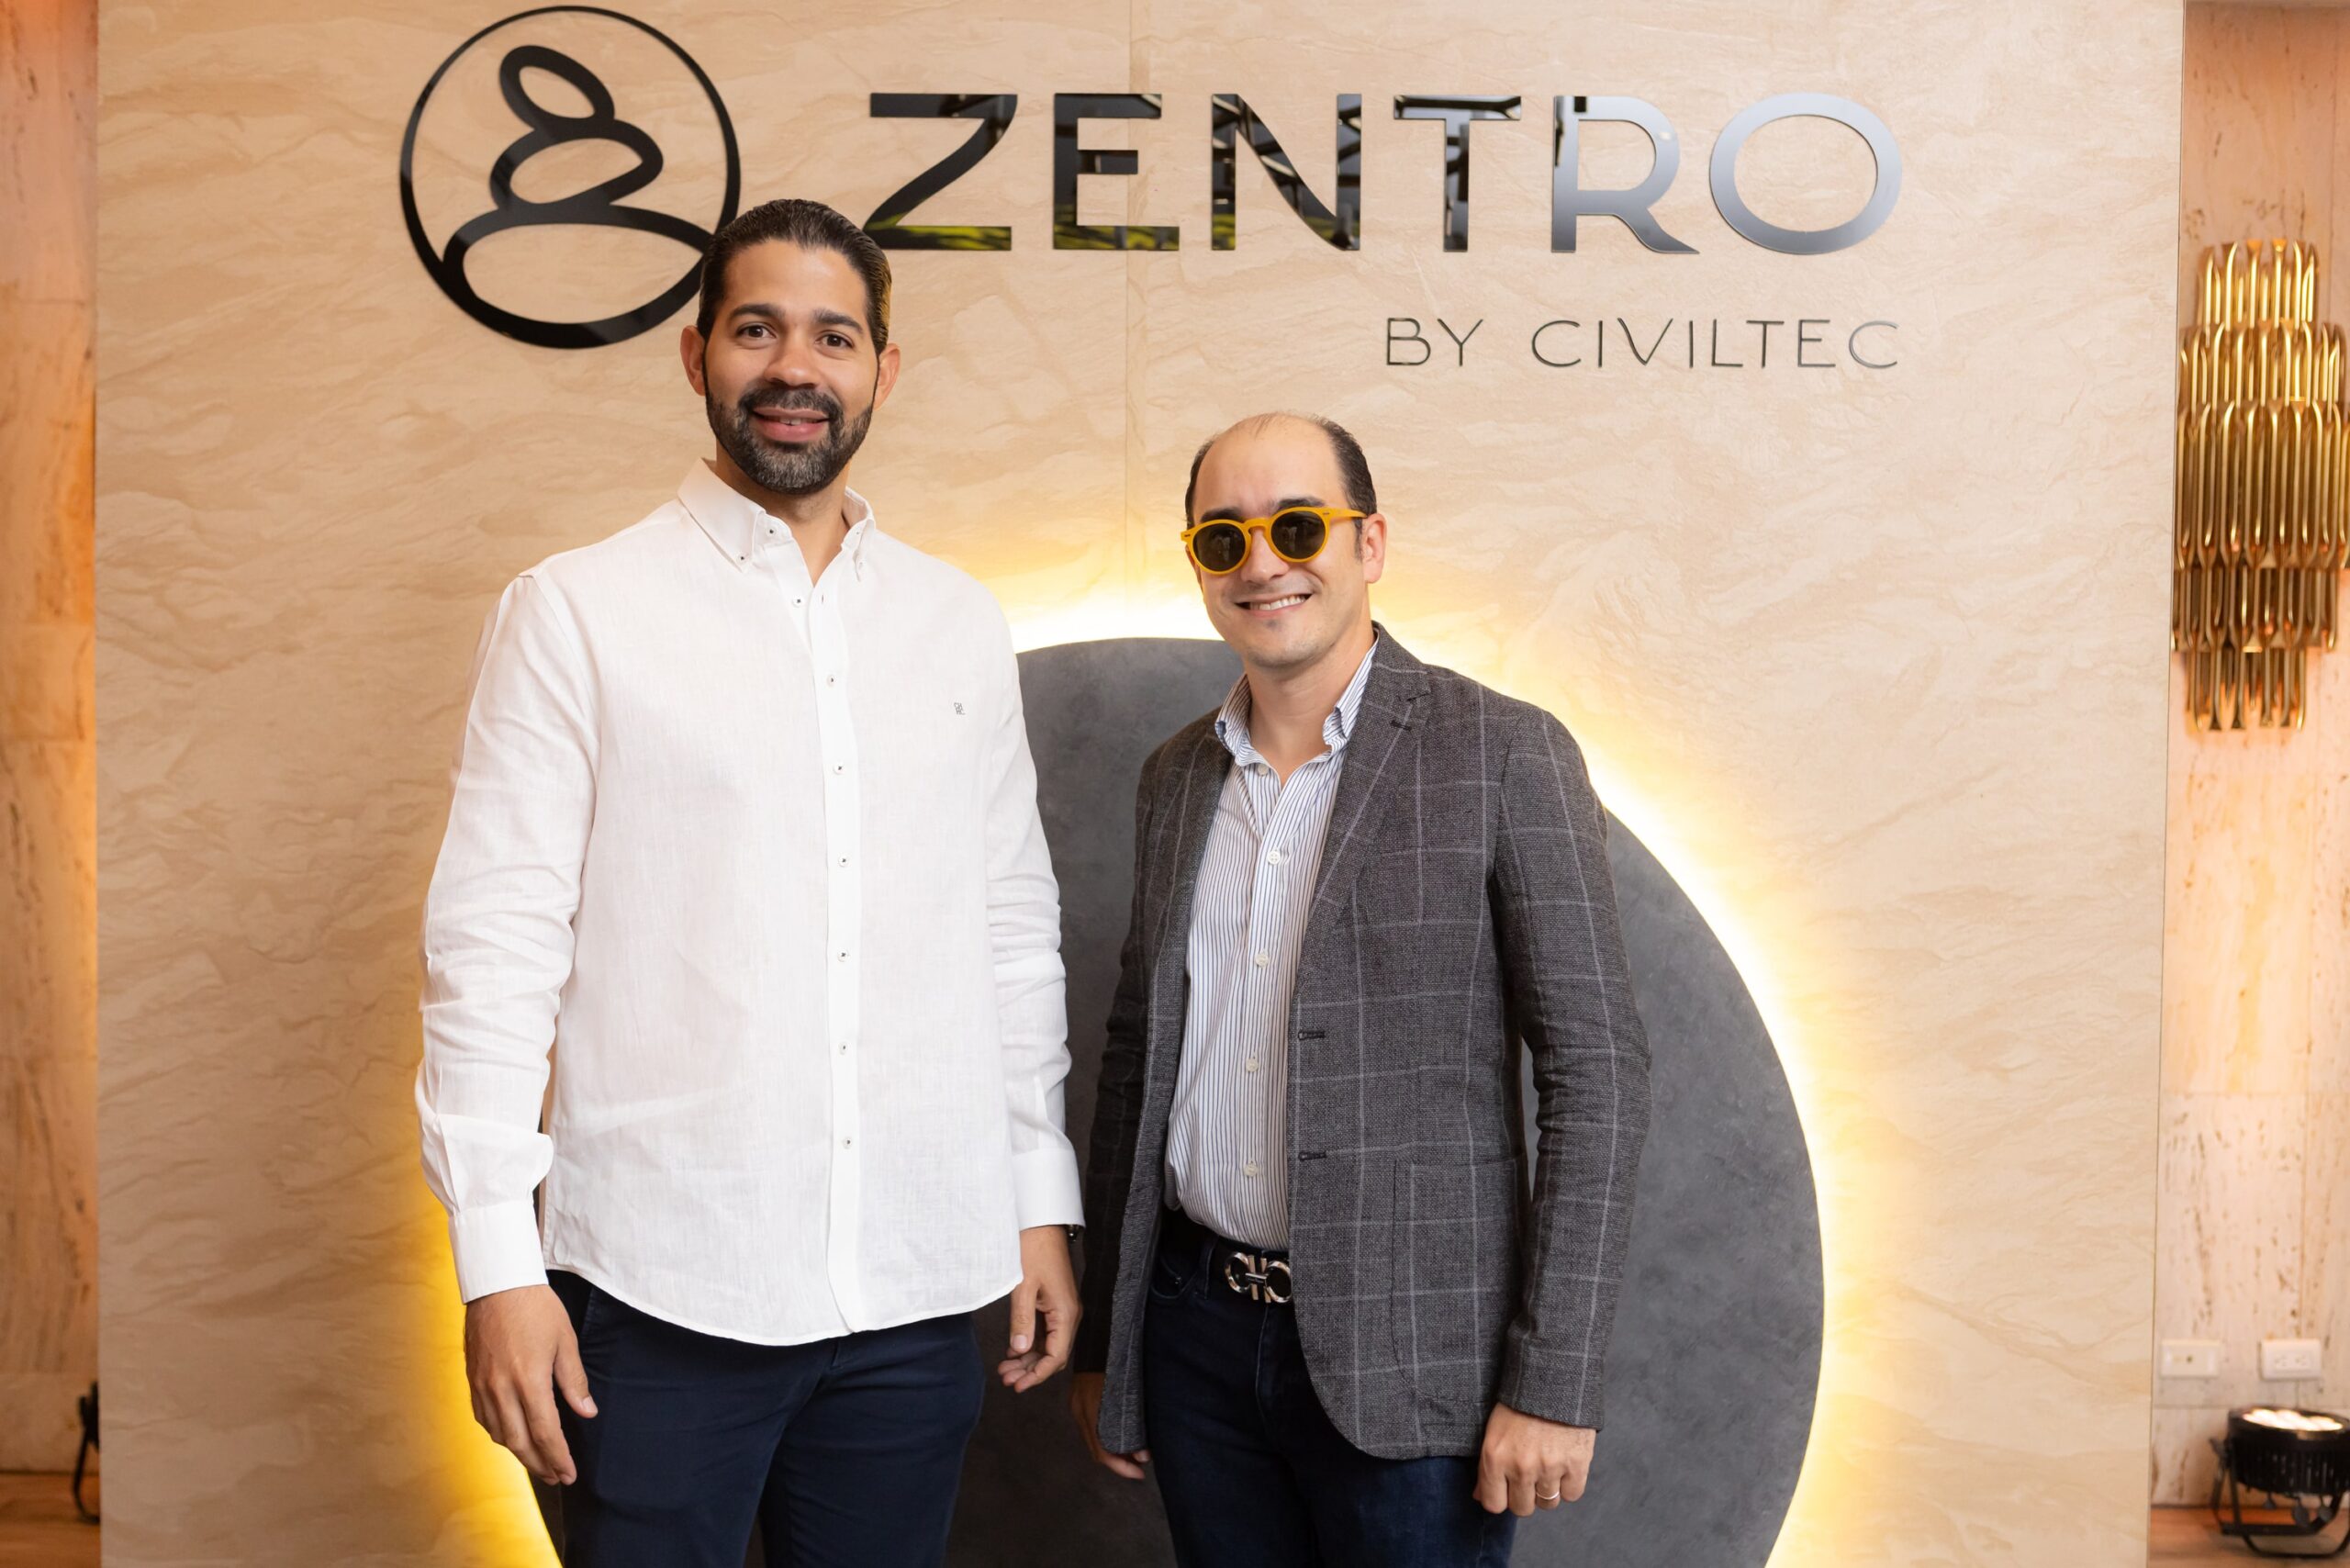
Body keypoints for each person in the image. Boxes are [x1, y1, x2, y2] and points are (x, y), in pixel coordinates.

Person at [415, 197, 1081, 1567]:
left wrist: (1036, 1194)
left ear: (883, 370)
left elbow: (1009, 930)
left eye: (833, 337)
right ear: (696, 355)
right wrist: (497, 1265)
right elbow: (493, 952)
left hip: (913, 1290)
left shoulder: (957, 622)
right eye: (757, 330)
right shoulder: (576, 610)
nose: (794, 368)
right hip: (660, 1293)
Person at [1066, 412, 1651, 1567]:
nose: (1261, 563)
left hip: (1417, 1358)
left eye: (1296, 527)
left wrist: (1553, 1378)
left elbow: (1599, 1076)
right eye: (1223, 538)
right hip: (1196, 1343)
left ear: (1368, 543)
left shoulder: (1504, 752)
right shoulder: (1174, 777)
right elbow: (1137, 1060)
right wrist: (1112, 1342)